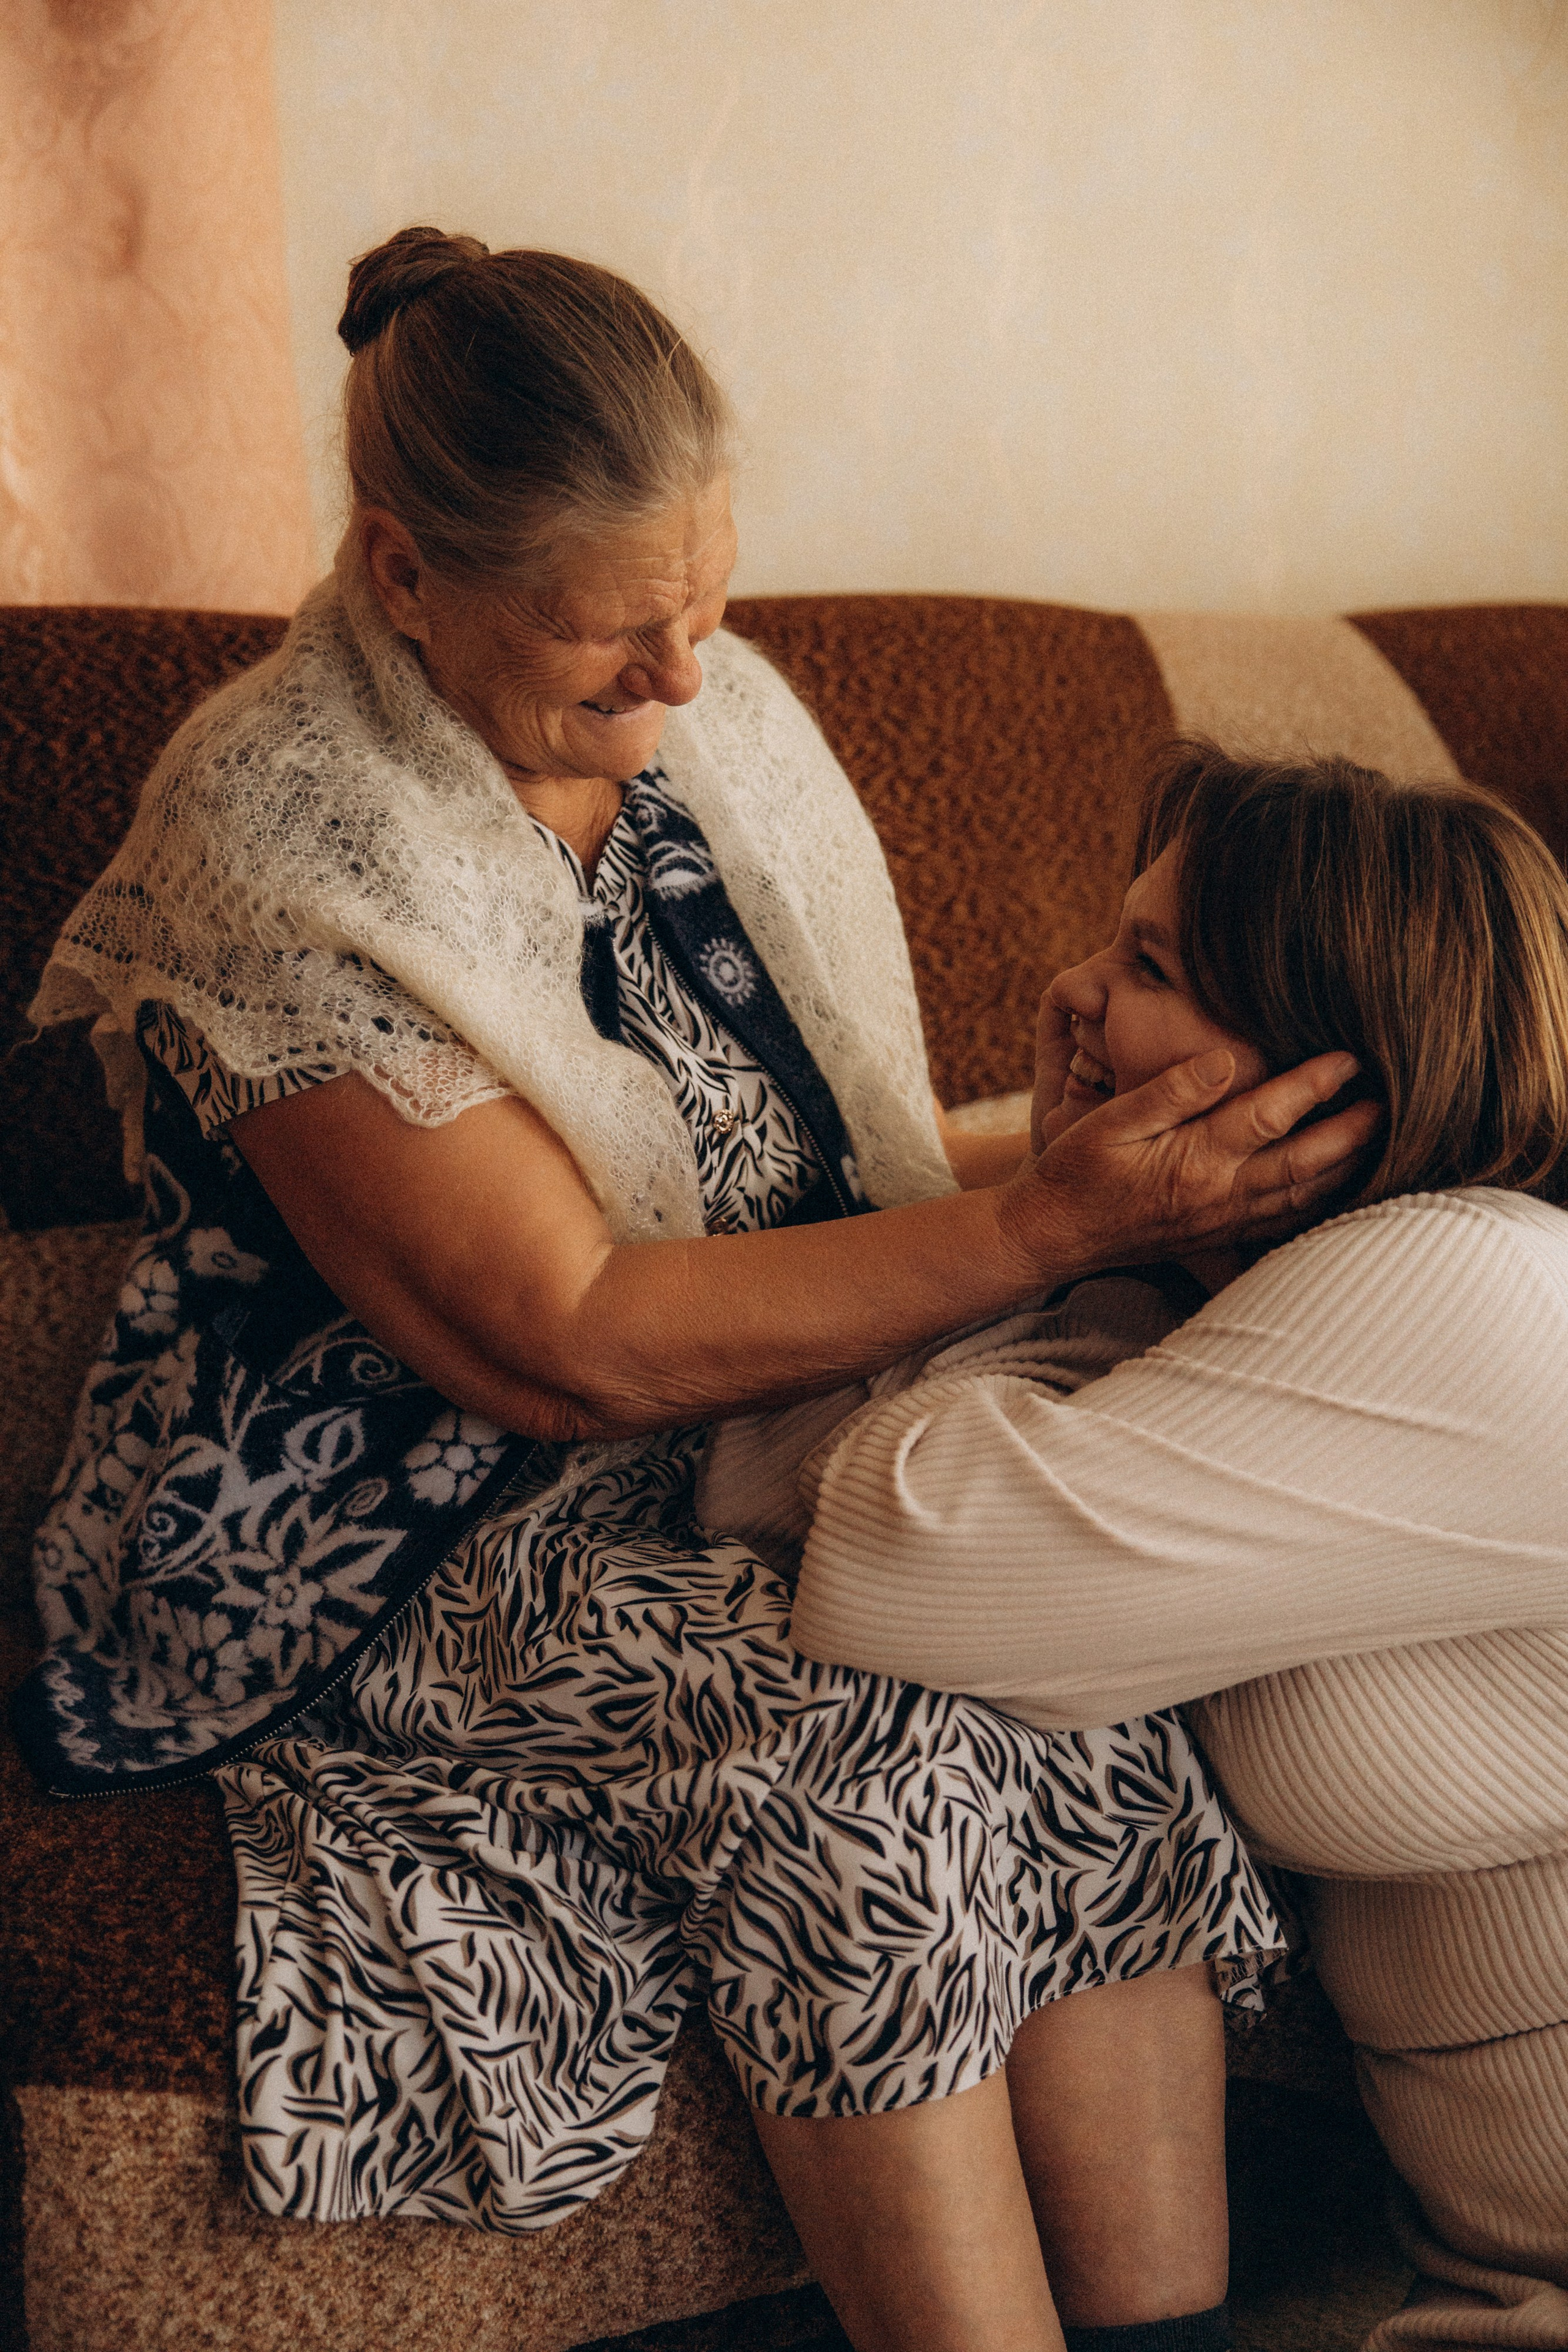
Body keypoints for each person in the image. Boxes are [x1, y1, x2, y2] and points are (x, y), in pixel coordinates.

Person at [15, 232, 1370, 2352]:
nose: (679, 684)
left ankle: (1164, 2328)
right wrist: (1052, 1229)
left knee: (1058, 1656)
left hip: (772, 1437)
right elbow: (557, 1345)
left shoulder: (714, 719)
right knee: (845, 1729)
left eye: (705, 607)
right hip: (406, 1536)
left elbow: (861, 1146)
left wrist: (1151, 1155)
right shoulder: (277, 827)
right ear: (401, 573)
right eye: (607, 642)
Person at [779, 742, 1568, 2351]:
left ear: (1331, 1079)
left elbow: (889, 1556)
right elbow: (776, 1478)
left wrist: (1083, 1252)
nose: (1071, 989)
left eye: (1148, 968)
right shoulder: (1288, 1310)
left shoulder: (1464, 1295)